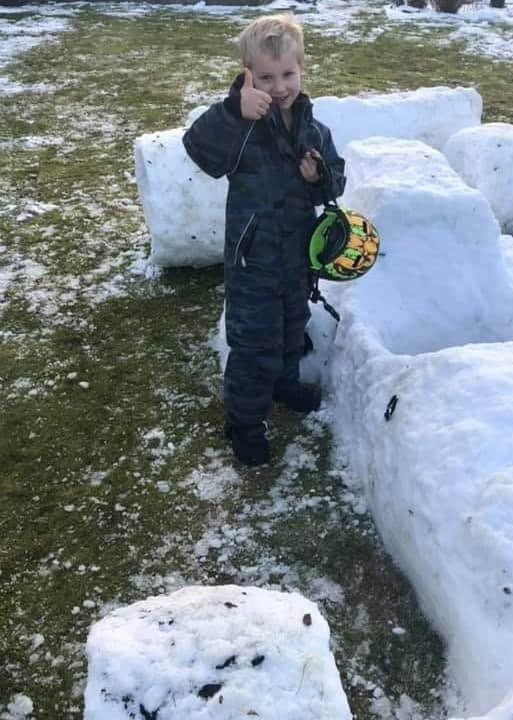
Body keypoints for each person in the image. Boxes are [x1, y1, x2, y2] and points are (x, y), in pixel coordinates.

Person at [183, 13, 346, 466]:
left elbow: (336, 182)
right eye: (267, 77)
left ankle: (285, 384)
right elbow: (199, 149)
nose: (279, 88)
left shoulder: (314, 129)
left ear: (302, 70)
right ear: (247, 72)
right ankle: (245, 422)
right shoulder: (241, 122)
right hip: (252, 260)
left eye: (288, 75)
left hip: (297, 256)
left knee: (293, 327)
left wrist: (321, 176)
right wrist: (233, 110)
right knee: (254, 343)